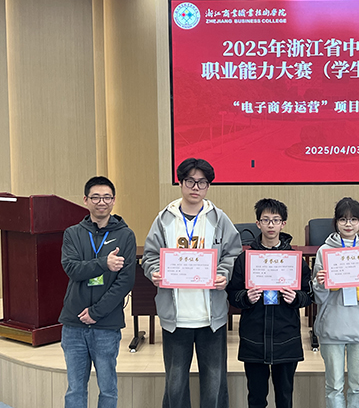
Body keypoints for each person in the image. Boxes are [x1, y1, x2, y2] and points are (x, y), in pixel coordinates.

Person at [142, 158, 242, 408]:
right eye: (190, 181)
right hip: (176, 317)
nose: (195, 187)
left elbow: (233, 253)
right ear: (180, 182)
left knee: (214, 384)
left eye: (202, 182)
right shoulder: (164, 219)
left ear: (208, 186)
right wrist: (154, 271)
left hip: (211, 317)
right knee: (175, 384)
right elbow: (150, 255)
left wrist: (224, 273)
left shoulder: (219, 219)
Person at [226, 198, 312, 408]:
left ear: (283, 224)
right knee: (256, 398)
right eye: (266, 220)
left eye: (276, 220)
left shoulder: (293, 259)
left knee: (285, 398)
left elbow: (308, 294)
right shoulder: (245, 259)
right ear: (258, 223)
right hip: (254, 337)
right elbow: (232, 294)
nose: (271, 225)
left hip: (286, 337)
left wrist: (296, 298)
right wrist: (246, 297)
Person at [59, 176, 136, 408]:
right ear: (85, 200)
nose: (101, 202)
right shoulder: (73, 233)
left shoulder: (125, 235)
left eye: (106, 197)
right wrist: (104, 263)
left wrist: (96, 312)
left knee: (108, 390)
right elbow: (72, 269)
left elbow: (125, 282)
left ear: (113, 200)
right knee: (75, 389)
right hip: (74, 323)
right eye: (95, 197)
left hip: (106, 324)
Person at [312, 197, 359, 408]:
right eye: (343, 219)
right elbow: (318, 297)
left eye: (354, 219)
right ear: (336, 222)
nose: (348, 224)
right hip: (332, 327)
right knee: (334, 386)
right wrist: (320, 283)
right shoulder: (324, 251)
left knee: (358, 386)